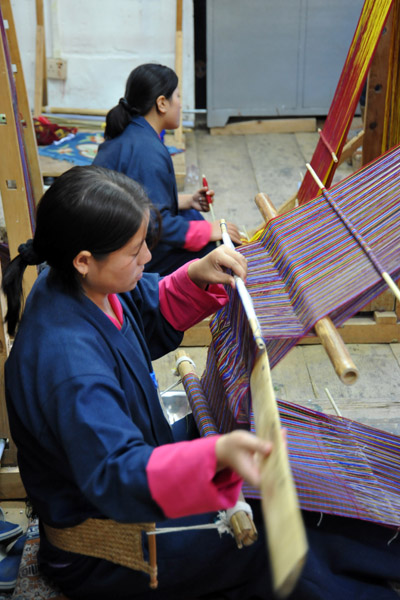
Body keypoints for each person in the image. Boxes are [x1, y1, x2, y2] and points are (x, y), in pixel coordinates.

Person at [3, 167, 400, 600]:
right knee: (273, 544)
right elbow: (117, 474)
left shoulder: (79, 283)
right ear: (84, 259)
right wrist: (215, 454)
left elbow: (142, 307)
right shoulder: (68, 364)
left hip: (134, 462)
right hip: (108, 545)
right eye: (136, 252)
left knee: (280, 466)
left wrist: (197, 273)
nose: (148, 260)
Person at [93, 63, 241, 276]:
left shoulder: (132, 135)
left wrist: (186, 200)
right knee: (218, 255)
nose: (180, 104)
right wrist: (209, 231)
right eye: (178, 96)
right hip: (115, 256)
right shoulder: (147, 151)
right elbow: (153, 224)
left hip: (112, 236)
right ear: (162, 103)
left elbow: (137, 198)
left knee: (189, 213)